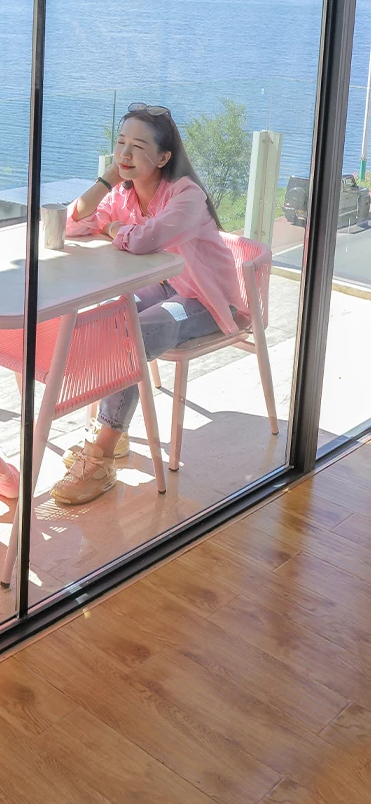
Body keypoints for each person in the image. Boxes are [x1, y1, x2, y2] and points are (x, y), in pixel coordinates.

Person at [51, 102, 246, 506]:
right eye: (121, 143)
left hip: (205, 300)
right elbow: (72, 222)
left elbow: (142, 241)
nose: (125, 154)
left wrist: (110, 227)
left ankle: (102, 453)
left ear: (163, 157)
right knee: (107, 320)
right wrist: (107, 180)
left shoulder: (186, 195)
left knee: (134, 335)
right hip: (165, 285)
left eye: (138, 147)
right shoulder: (123, 195)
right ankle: (112, 434)